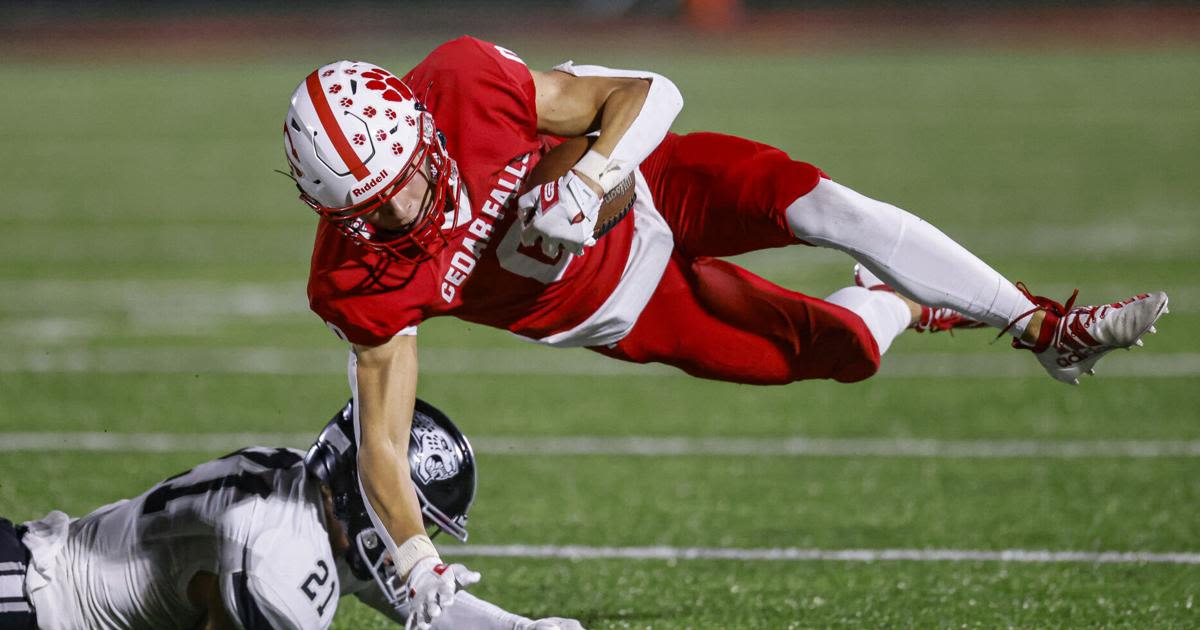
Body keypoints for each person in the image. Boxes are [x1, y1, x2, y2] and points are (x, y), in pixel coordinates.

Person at [281, 37, 1169, 625]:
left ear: (416, 123)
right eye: (371, 205)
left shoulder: (466, 83)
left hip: (656, 190)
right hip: (626, 309)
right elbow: (383, 445)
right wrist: (421, 571)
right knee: (844, 352)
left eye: (402, 177)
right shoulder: (354, 279)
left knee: (823, 203)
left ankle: (1041, 323)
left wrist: (591, 176)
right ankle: (906, 302)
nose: (402, 206)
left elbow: (648, 91)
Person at [0, 400, 583, 630]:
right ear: (361, 495)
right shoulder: (279, 550)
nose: (413, 535)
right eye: (407, 512)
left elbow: (420, 604)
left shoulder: (311, 500)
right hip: (28, 601)